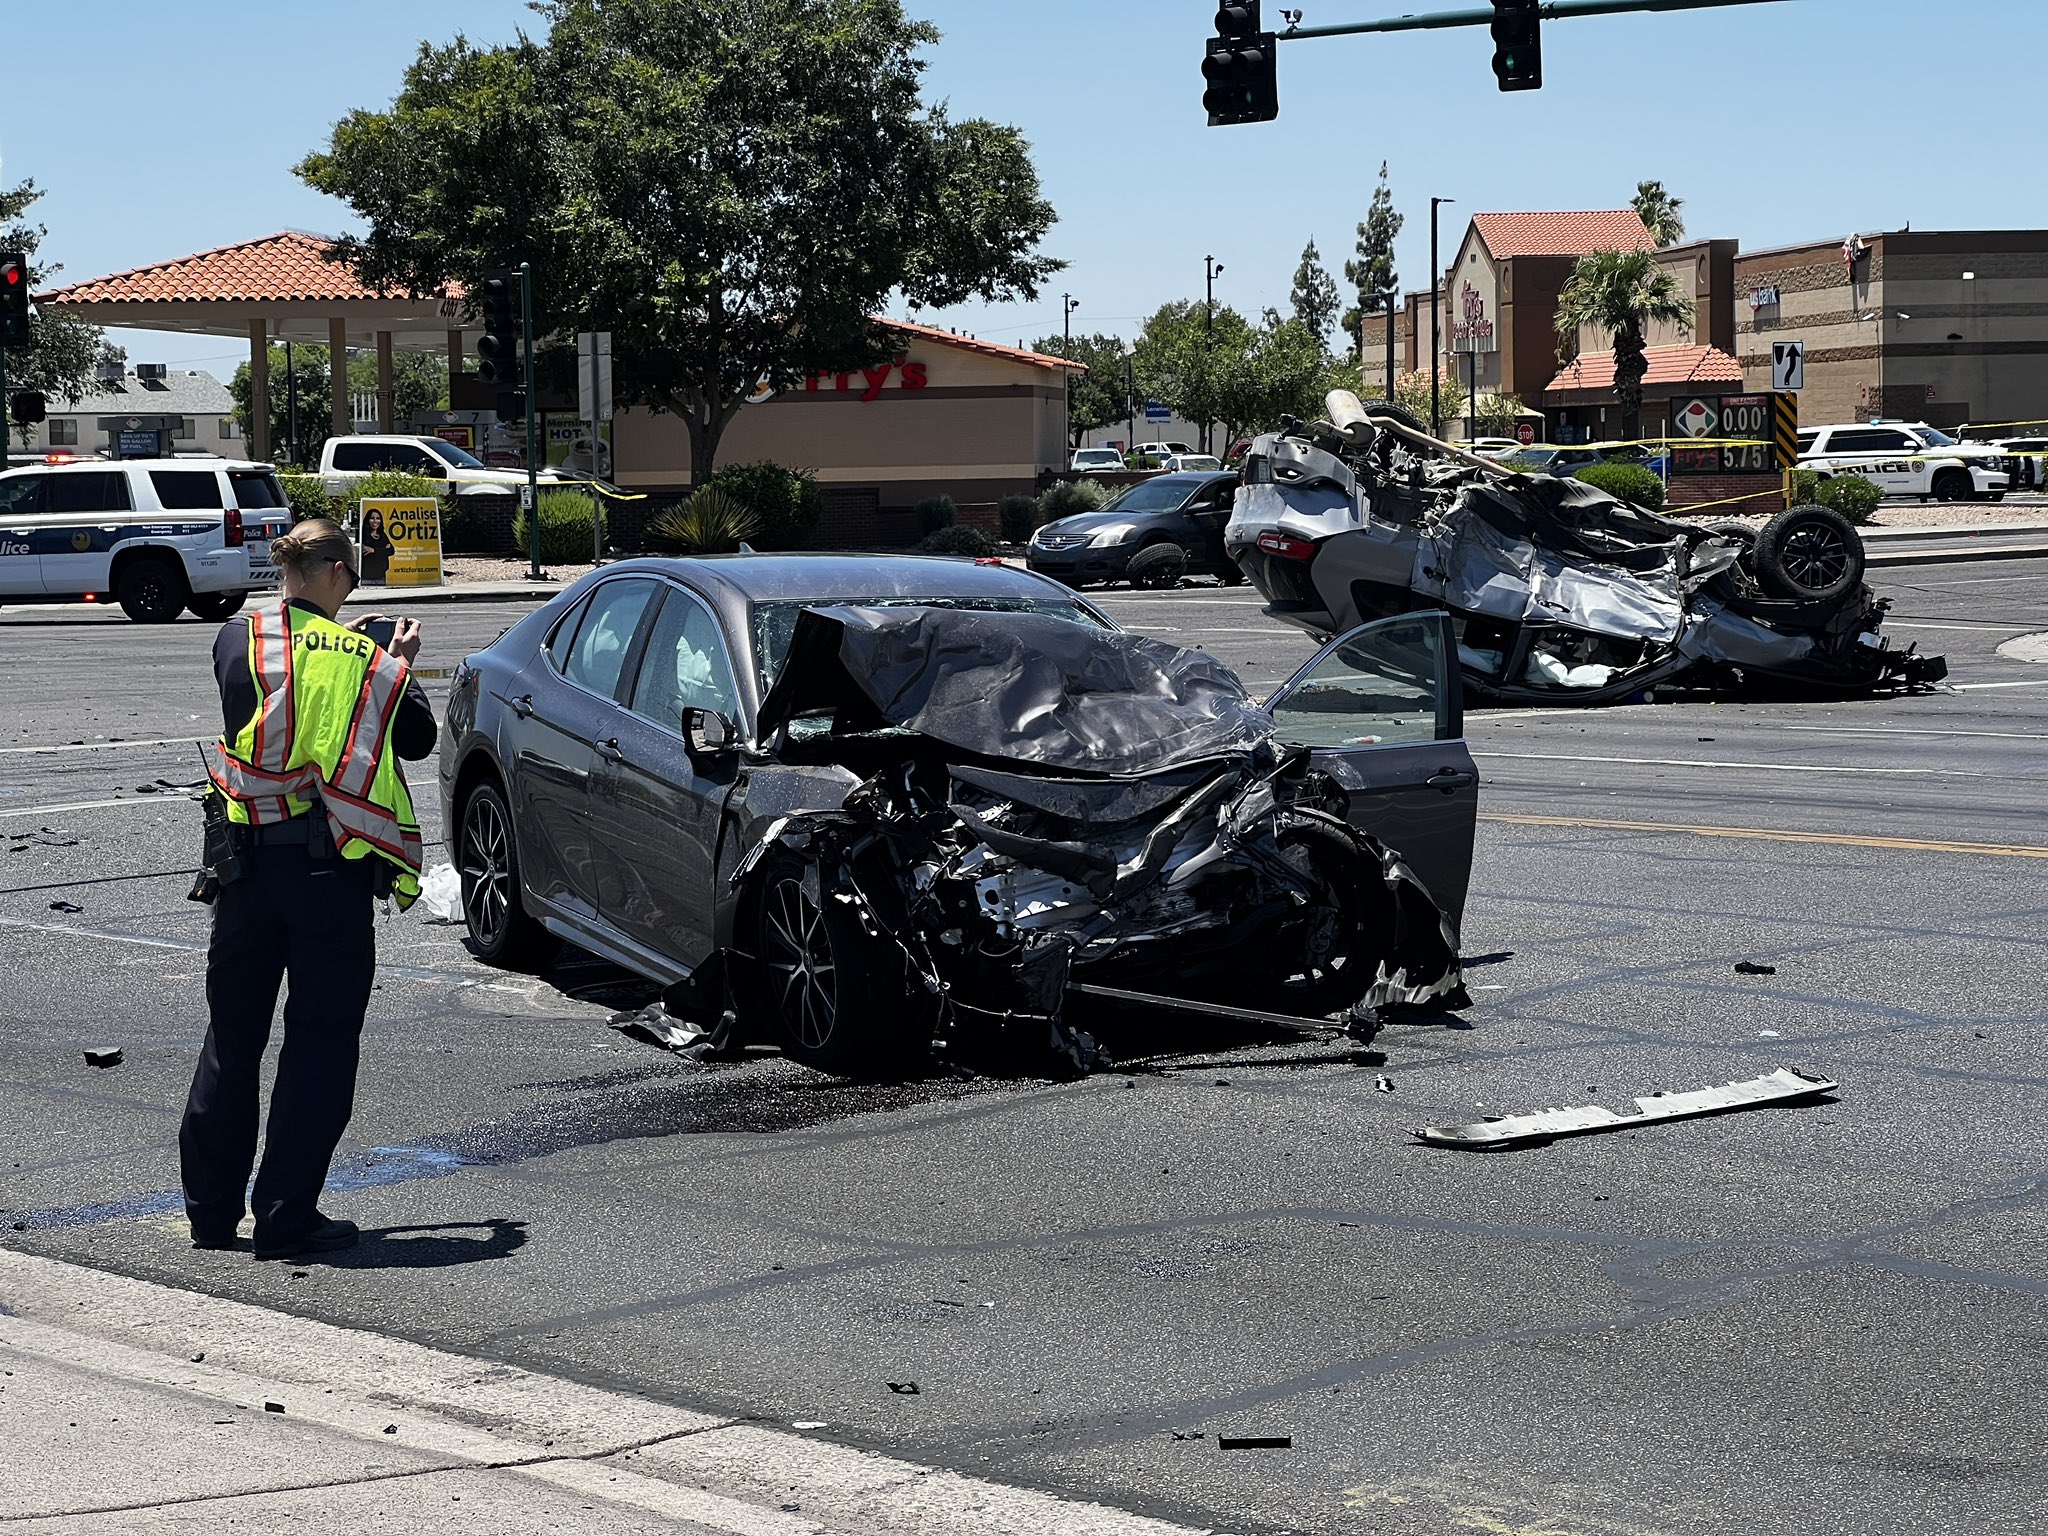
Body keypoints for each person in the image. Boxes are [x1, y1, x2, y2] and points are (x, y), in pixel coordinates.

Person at [179, 516, 433, 1261]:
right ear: (331, 574)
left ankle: (211, 1213)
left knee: (232, 1040)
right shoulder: (368, 658)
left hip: (244, 871)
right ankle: (286, 1216)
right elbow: (412, 739)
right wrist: (394, 664)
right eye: (351, 577)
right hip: (329, 876)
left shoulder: (238, 638)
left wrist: (332, 636)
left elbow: (267, 690)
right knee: (318, 1047)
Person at [359, 507, 392, 585]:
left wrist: (374, 550)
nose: (375, 521)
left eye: (378, 518)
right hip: (366, 578)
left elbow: (391, 551)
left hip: (381, 577)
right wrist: (383, 550)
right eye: (372, 518)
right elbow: (386, 551)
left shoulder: (382, 535)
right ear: (368, 520)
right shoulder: (362, 536)